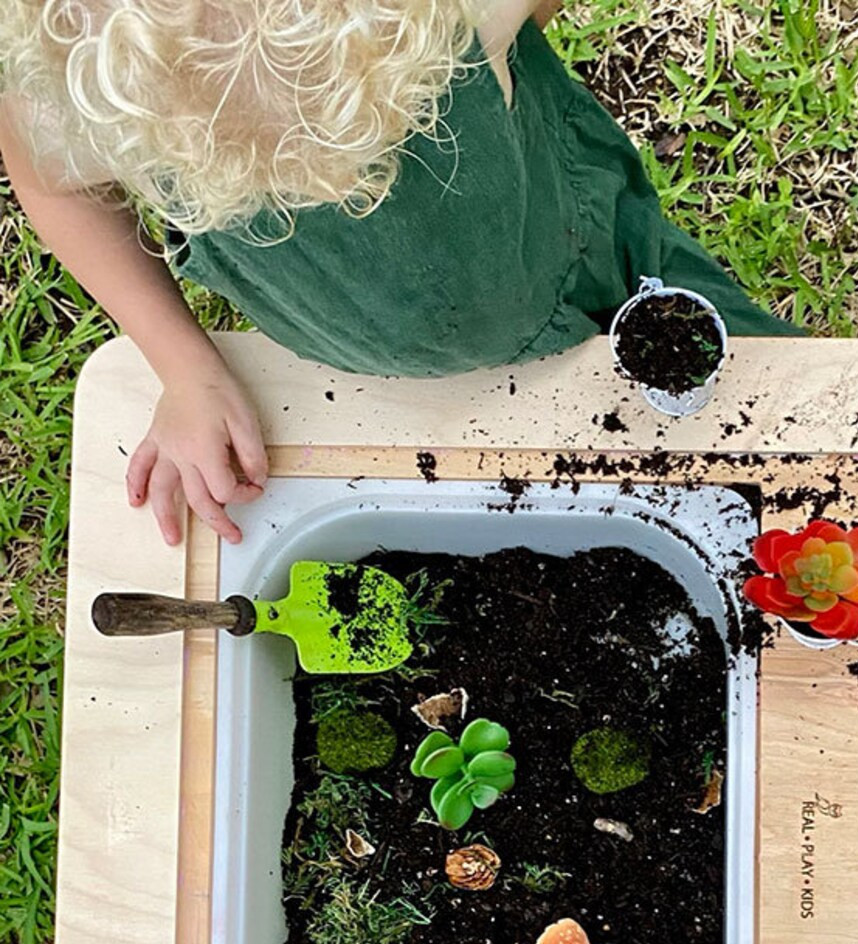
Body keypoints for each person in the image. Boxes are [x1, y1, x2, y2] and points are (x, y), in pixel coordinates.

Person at [0, 0, 796, 544]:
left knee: (778, 412)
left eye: (366, 155)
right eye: (270, 192)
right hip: (344, 341)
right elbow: (49, 184)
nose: (334, 194)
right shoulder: (87, 83)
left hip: (586, 261)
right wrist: (183, 369)